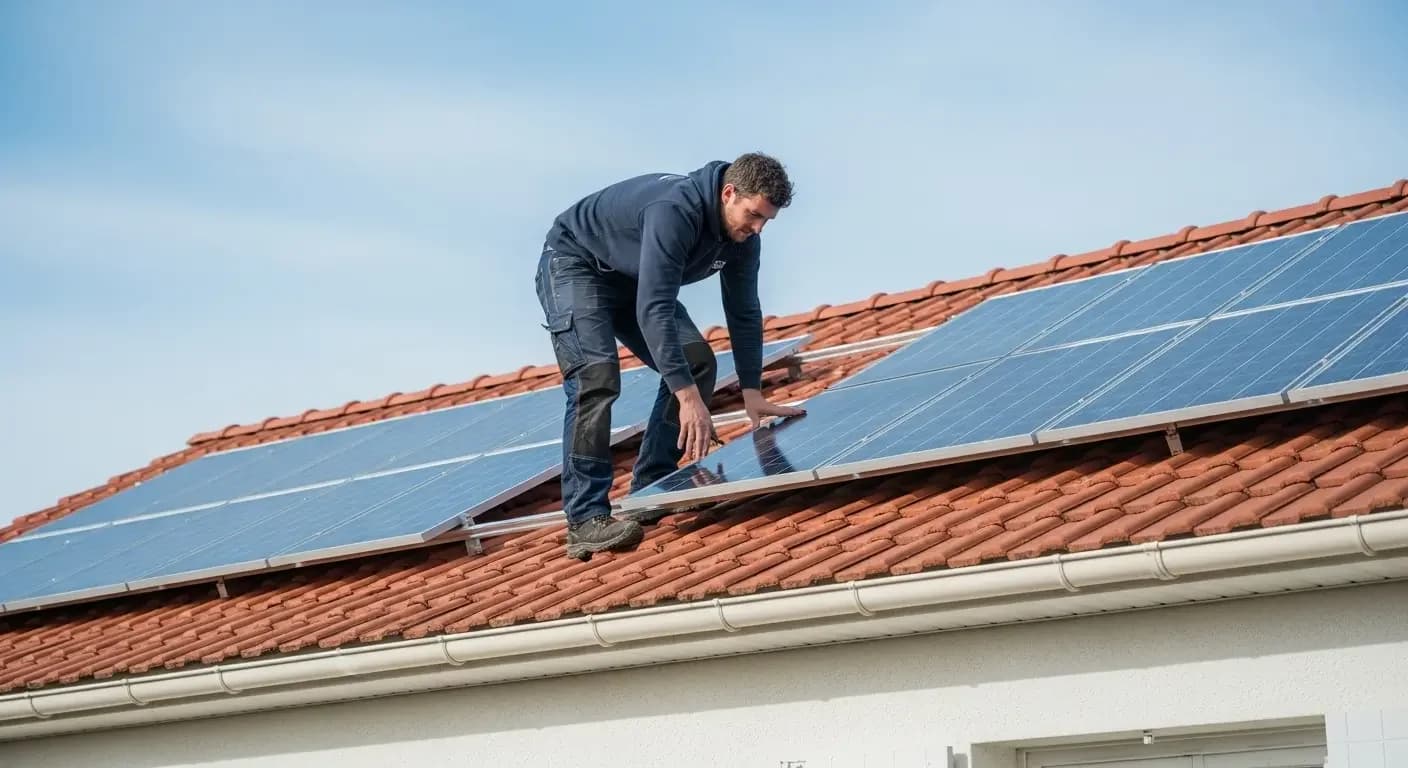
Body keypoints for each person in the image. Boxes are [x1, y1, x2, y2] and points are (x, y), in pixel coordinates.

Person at [534, 152, 806, 560]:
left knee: (698, 362)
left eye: (766, 221)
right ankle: (586, 518)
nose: (756, 228)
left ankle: (654, 485)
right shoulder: (675, 211)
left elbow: (744, 310)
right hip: (576, 264)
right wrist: (687, 398)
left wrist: (752, 389)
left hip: (633, 279)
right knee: (596, 376)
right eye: (752, 215)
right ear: (728, 193)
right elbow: (654, 307)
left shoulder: (744, 239)